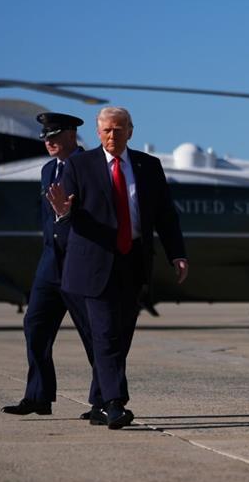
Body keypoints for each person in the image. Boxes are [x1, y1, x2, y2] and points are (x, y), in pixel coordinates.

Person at [47, 106, 188, 429]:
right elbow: (67, 216)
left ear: (131, 132)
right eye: (107, 130)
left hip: (134, 260)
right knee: (107, 334)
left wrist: (177, 253)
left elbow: (166, 215)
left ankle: (98, 402)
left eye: (119, 129)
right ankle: (114, 404)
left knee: (120, 336)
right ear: (98, 133)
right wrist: (62, 213)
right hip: (94, 263)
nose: (113, 135)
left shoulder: (148, 166)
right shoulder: (79, 165)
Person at [2, 112, 93, 416]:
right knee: (35, 326)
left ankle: (105, 400)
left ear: (71, 134)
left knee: (94, 333)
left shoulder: (91, 166)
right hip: (50, 263)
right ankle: (39, 395)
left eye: (54, 137)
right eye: (45, 138)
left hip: (81, 263)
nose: (49, 143)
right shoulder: (47, 170)